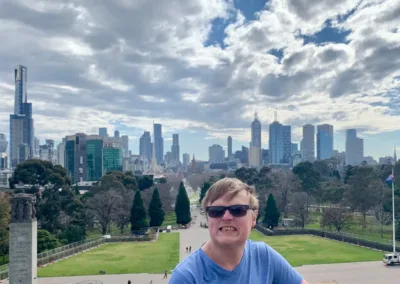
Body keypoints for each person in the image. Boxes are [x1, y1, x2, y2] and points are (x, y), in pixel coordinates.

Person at [169, 178, 308, 284]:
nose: (227, 217)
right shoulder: (187, 277)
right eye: (216, 211)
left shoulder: (264, 256)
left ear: (253, 218)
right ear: (208, 218)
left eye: (238, 210)